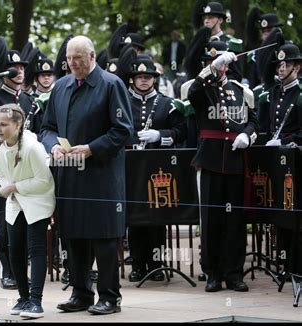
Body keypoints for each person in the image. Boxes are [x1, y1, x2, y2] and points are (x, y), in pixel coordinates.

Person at [41, 35, 133, 315]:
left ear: (92, 57)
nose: (72, 63)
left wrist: (92, 149)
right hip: (69, 176)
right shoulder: (60, 87)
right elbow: (46, 128)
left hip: (101, 176)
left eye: (78, 58)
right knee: (73, 235)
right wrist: (54, 145)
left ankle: (109, 296)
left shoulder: (110, 85)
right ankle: (81, 292)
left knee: (103, 237)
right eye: (69, 58)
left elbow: (123, 130)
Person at [187, 40, 259, 292]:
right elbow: (192, 93)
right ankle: (212, 272)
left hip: (235, 159)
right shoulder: (201, 88)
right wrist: (209, 71)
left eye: (220, 63)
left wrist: (247, 135)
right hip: (210, 160)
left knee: (235, 220)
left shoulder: (241, 90)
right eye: (211, 63)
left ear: (227, 66)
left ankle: (234, 272)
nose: (218, 67)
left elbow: (253, 119)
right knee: (211, 219)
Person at [120, 51, 186, 282]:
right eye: (139, 77)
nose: (144, 80)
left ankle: (157, 264)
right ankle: (138, 264)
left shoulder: (168, 104)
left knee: (158, 217)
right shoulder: (123, 103)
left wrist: (160, 135)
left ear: (154, 79)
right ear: (132, 80)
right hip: (132, 169)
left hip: (158, 171)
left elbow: (181, 132)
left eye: (148, 76)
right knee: (136, 217)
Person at [0, 103, 55, 318]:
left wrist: (15, 187)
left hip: (37, 200)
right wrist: (9, 188)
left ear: (18, 125)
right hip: (15, 201)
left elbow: (44, 181)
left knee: (36, 248)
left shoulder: (32, 148)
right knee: (14, 248)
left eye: (4, 124)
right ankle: (23, 298)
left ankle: (36, 301)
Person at [0, 37, 33, 289]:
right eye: (15, 69)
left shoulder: (28, 100)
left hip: (26, 170)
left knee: (23, 222)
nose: (19, 72)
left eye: (22, 68)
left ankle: (20, 269)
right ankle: (6, 271)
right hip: (2, 169)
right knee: (4, 223)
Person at [259, 43, 302, 274]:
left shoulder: (300, 94)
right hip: (276, 162)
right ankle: (282, 261)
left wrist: (285, 142)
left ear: (297, 67)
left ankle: (295, 264)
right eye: (279, 64)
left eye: (286, 64)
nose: (281, 68)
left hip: (295, 163)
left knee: (293, 212)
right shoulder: (273, 93)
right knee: (278, 212)